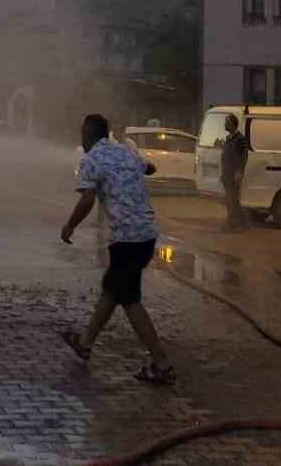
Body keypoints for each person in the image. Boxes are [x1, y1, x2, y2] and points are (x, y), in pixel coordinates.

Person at [59, 113, 174, 384]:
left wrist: (70, 226)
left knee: (129, 300)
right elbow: (151, 168)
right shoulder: (125, 152)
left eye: (82, 134)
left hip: (127, 239)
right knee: (111, 290)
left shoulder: (91, 160)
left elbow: (88, 199)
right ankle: (85, 344)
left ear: (89, 135)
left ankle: (162, 364)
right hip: (145, 235)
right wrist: (141, 170)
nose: (81, 139)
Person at [220, 114, 250, 231]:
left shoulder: (239, 139)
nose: (225, 124)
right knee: (231, 200)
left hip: (234, 174)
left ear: (232, 124)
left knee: (232, 200)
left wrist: (239, 172)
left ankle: (234, 224)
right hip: (227, 174)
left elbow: (243, 157)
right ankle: (243, 223)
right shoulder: (229, 138)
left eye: (226, 122)